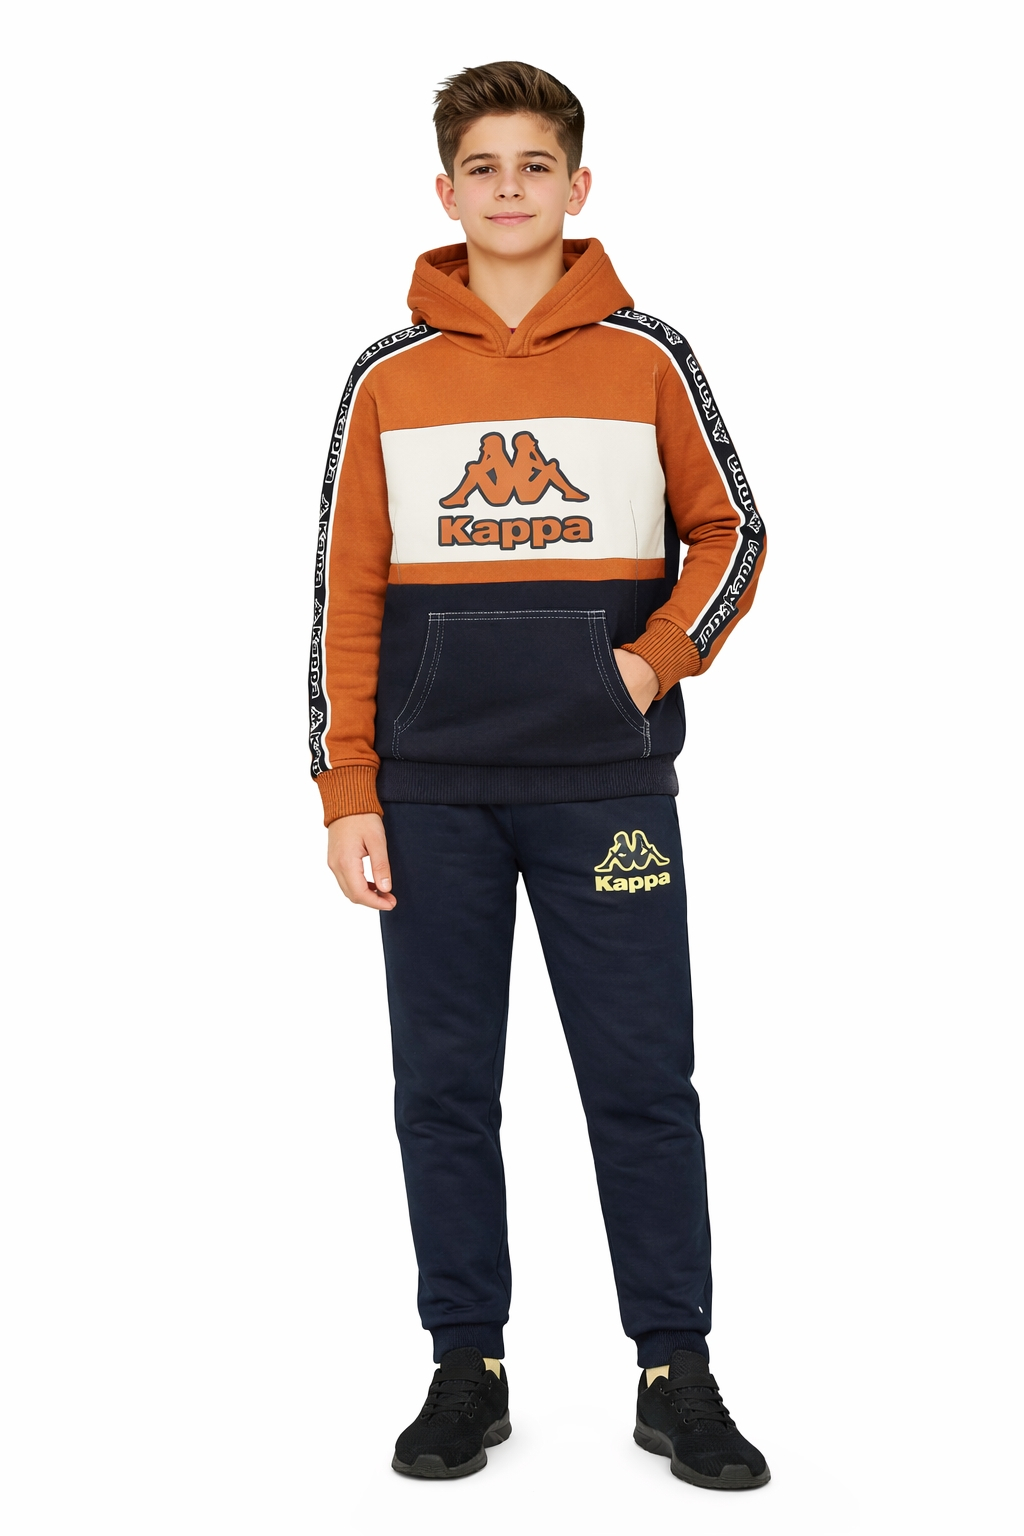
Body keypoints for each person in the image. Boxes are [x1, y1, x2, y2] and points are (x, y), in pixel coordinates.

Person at [308, 60, 769, 1488]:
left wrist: (651, 664)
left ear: (578, 185)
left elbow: (736, 533)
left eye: (534, 165)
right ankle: (469, 1365)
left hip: (605, 786)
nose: (509, 189)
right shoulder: (388, 379)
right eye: (483, 167)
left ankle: (674, 1369)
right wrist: (348, 789)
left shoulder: (648, 357)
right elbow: (346, 595)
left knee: (642, 1082)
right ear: (446, 192)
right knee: (443, 1089)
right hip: (431, 795)